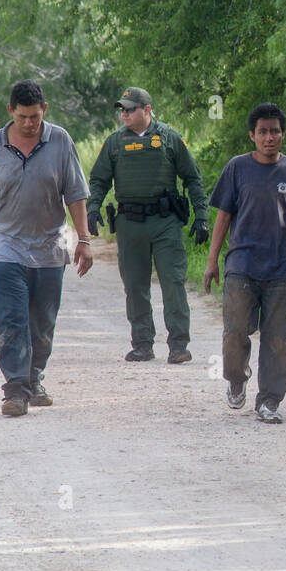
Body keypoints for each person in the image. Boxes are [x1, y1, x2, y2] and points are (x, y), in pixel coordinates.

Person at [0, 80, 93, 416]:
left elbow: (75, 193)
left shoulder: (60, 140)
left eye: (35, 116)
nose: (30, 123)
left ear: (44, 110)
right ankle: (15, 389)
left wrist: (85, 240)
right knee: (11, 319)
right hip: (6, 247)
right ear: (10, 112)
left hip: (50, 248)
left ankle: (34, 378)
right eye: (23, 117)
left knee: (43, 323)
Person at [204, 103, 286, 424]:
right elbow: (223, 216)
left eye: (275, 131)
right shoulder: (237, 168)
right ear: (252, 136)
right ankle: (237, 377)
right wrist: (212, 260)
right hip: (241, 264)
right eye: (263, 132)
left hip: (282, 268)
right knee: (235, 330)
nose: (269, 137)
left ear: (283, 134)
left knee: (278, 337)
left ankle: (269, 399)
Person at [86, 86, 209, 363]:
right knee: (135, 284)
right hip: (130, 222)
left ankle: (178, 345)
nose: (125, 114)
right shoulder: (114, 143)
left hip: (165, 221)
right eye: (122, 109)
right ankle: (142, 343)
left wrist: (201, 216)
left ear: (147, 110)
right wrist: (92, 209)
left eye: (131, 109)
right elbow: (99, 180)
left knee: (173, 281)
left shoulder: (169, 138)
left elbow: (192, 178)